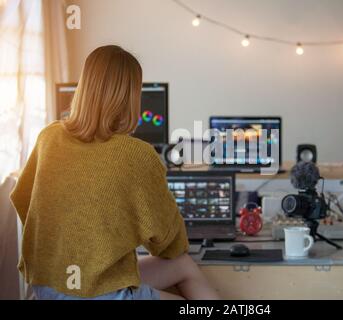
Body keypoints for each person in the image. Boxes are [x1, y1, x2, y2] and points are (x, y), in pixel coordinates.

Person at [10, 45, 219, 300]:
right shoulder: (137, 154)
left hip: (47, 287)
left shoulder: (48, 137)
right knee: (185, 269)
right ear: (130, 97)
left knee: (181, 267)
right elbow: (169, 244)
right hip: (94, 294)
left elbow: (22, 200)